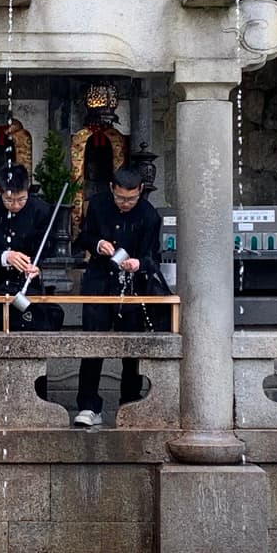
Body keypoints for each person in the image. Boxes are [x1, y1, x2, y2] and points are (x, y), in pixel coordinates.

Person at [73, 166, 168, 428]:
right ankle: (88, 405)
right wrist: (97, 244)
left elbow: (153, 257)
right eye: (121, 198)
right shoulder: (99, 205)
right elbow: (83, 237)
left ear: (140, 192)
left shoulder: (149, 215)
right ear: (113, 189)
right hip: (100, 280)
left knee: (131, 345)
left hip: (133, 283)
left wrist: (139, 263)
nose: (125, 204)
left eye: (132, 199)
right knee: (93, 342)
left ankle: (129, 401)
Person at [0, 164, 64, 331]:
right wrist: (5, 257)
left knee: (28, 335)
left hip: (27, 285)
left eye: (21, 199)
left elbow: (47, 246)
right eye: (9, 199)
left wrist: (35, 265)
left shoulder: (40, 209)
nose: (15, 205)